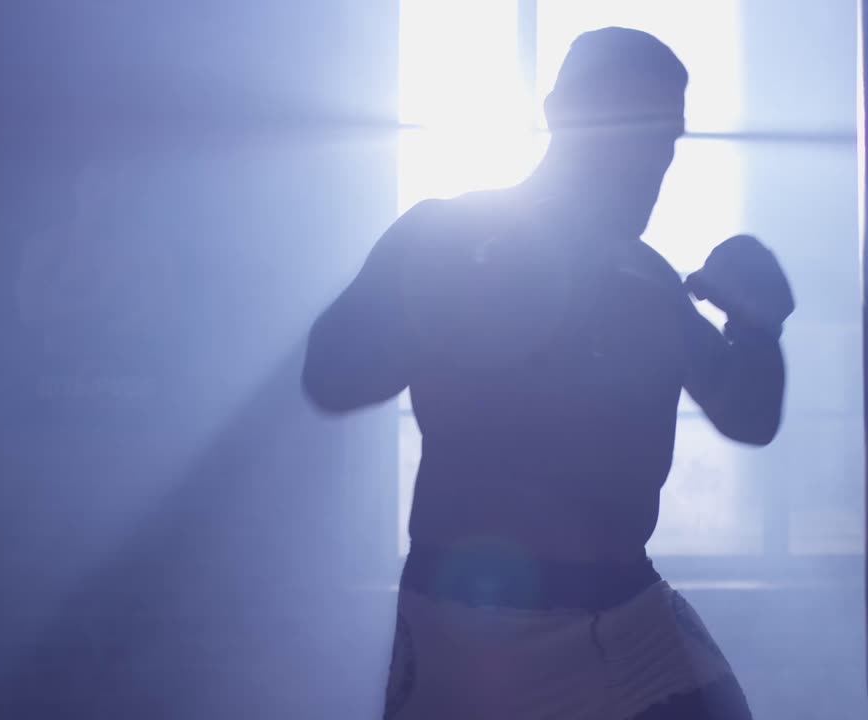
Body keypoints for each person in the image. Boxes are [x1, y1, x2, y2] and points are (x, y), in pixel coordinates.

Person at [302, 27, 794, 720]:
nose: (651, 160)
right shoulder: (447, 236)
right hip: (466, 629)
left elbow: (749, 418)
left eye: (665, 138)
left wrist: (759, 329)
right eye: (632, 126)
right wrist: (445, 300)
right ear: (562, 112)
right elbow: (330, 376)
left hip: (623, 612)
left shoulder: (646, 281)